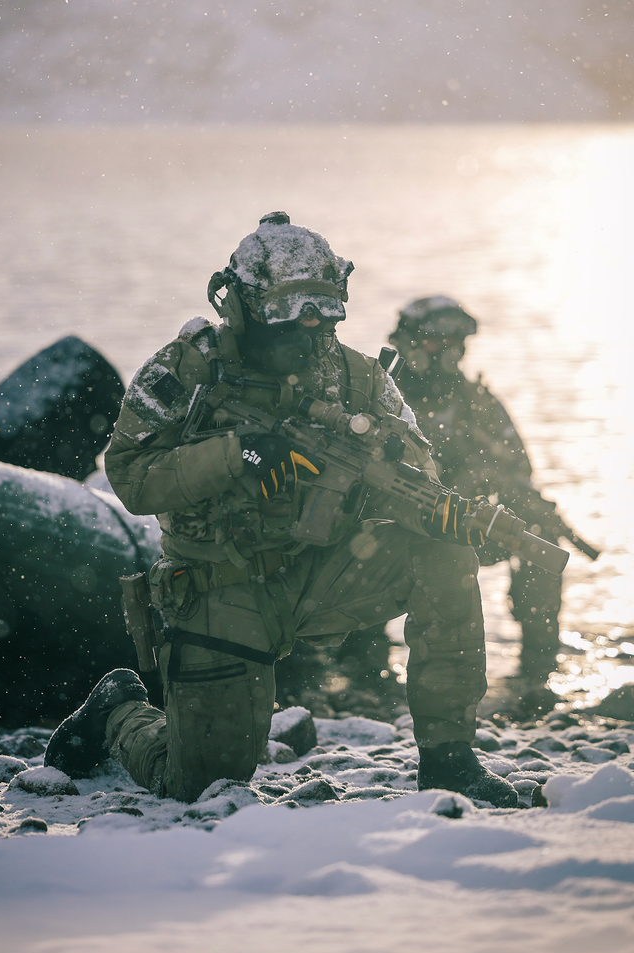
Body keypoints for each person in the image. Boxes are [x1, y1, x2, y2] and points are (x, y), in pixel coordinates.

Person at [44, 214, 520, 808]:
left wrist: (389, 464)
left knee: (445, 552)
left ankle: (449, 759)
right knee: (199, 786)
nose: (310, 332)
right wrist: (234, 454)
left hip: (321, 573)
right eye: (290, 315)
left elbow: (418, 468)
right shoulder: (188, 369)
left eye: (323, 314)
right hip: (221, 587)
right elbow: (132, 479)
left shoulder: (354, 375)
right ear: (241, 309)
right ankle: (117, 714)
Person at [389, 296, 564, 684]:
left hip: (463, 526)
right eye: (437, 341)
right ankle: (357, 666)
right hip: (396, 530)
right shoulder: (382, 397)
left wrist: (488, 476)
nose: (448, 353)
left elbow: (521, 472)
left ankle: (539, 665)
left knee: (538, 533)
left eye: (455, 343)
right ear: (411, 342)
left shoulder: (476, 402)